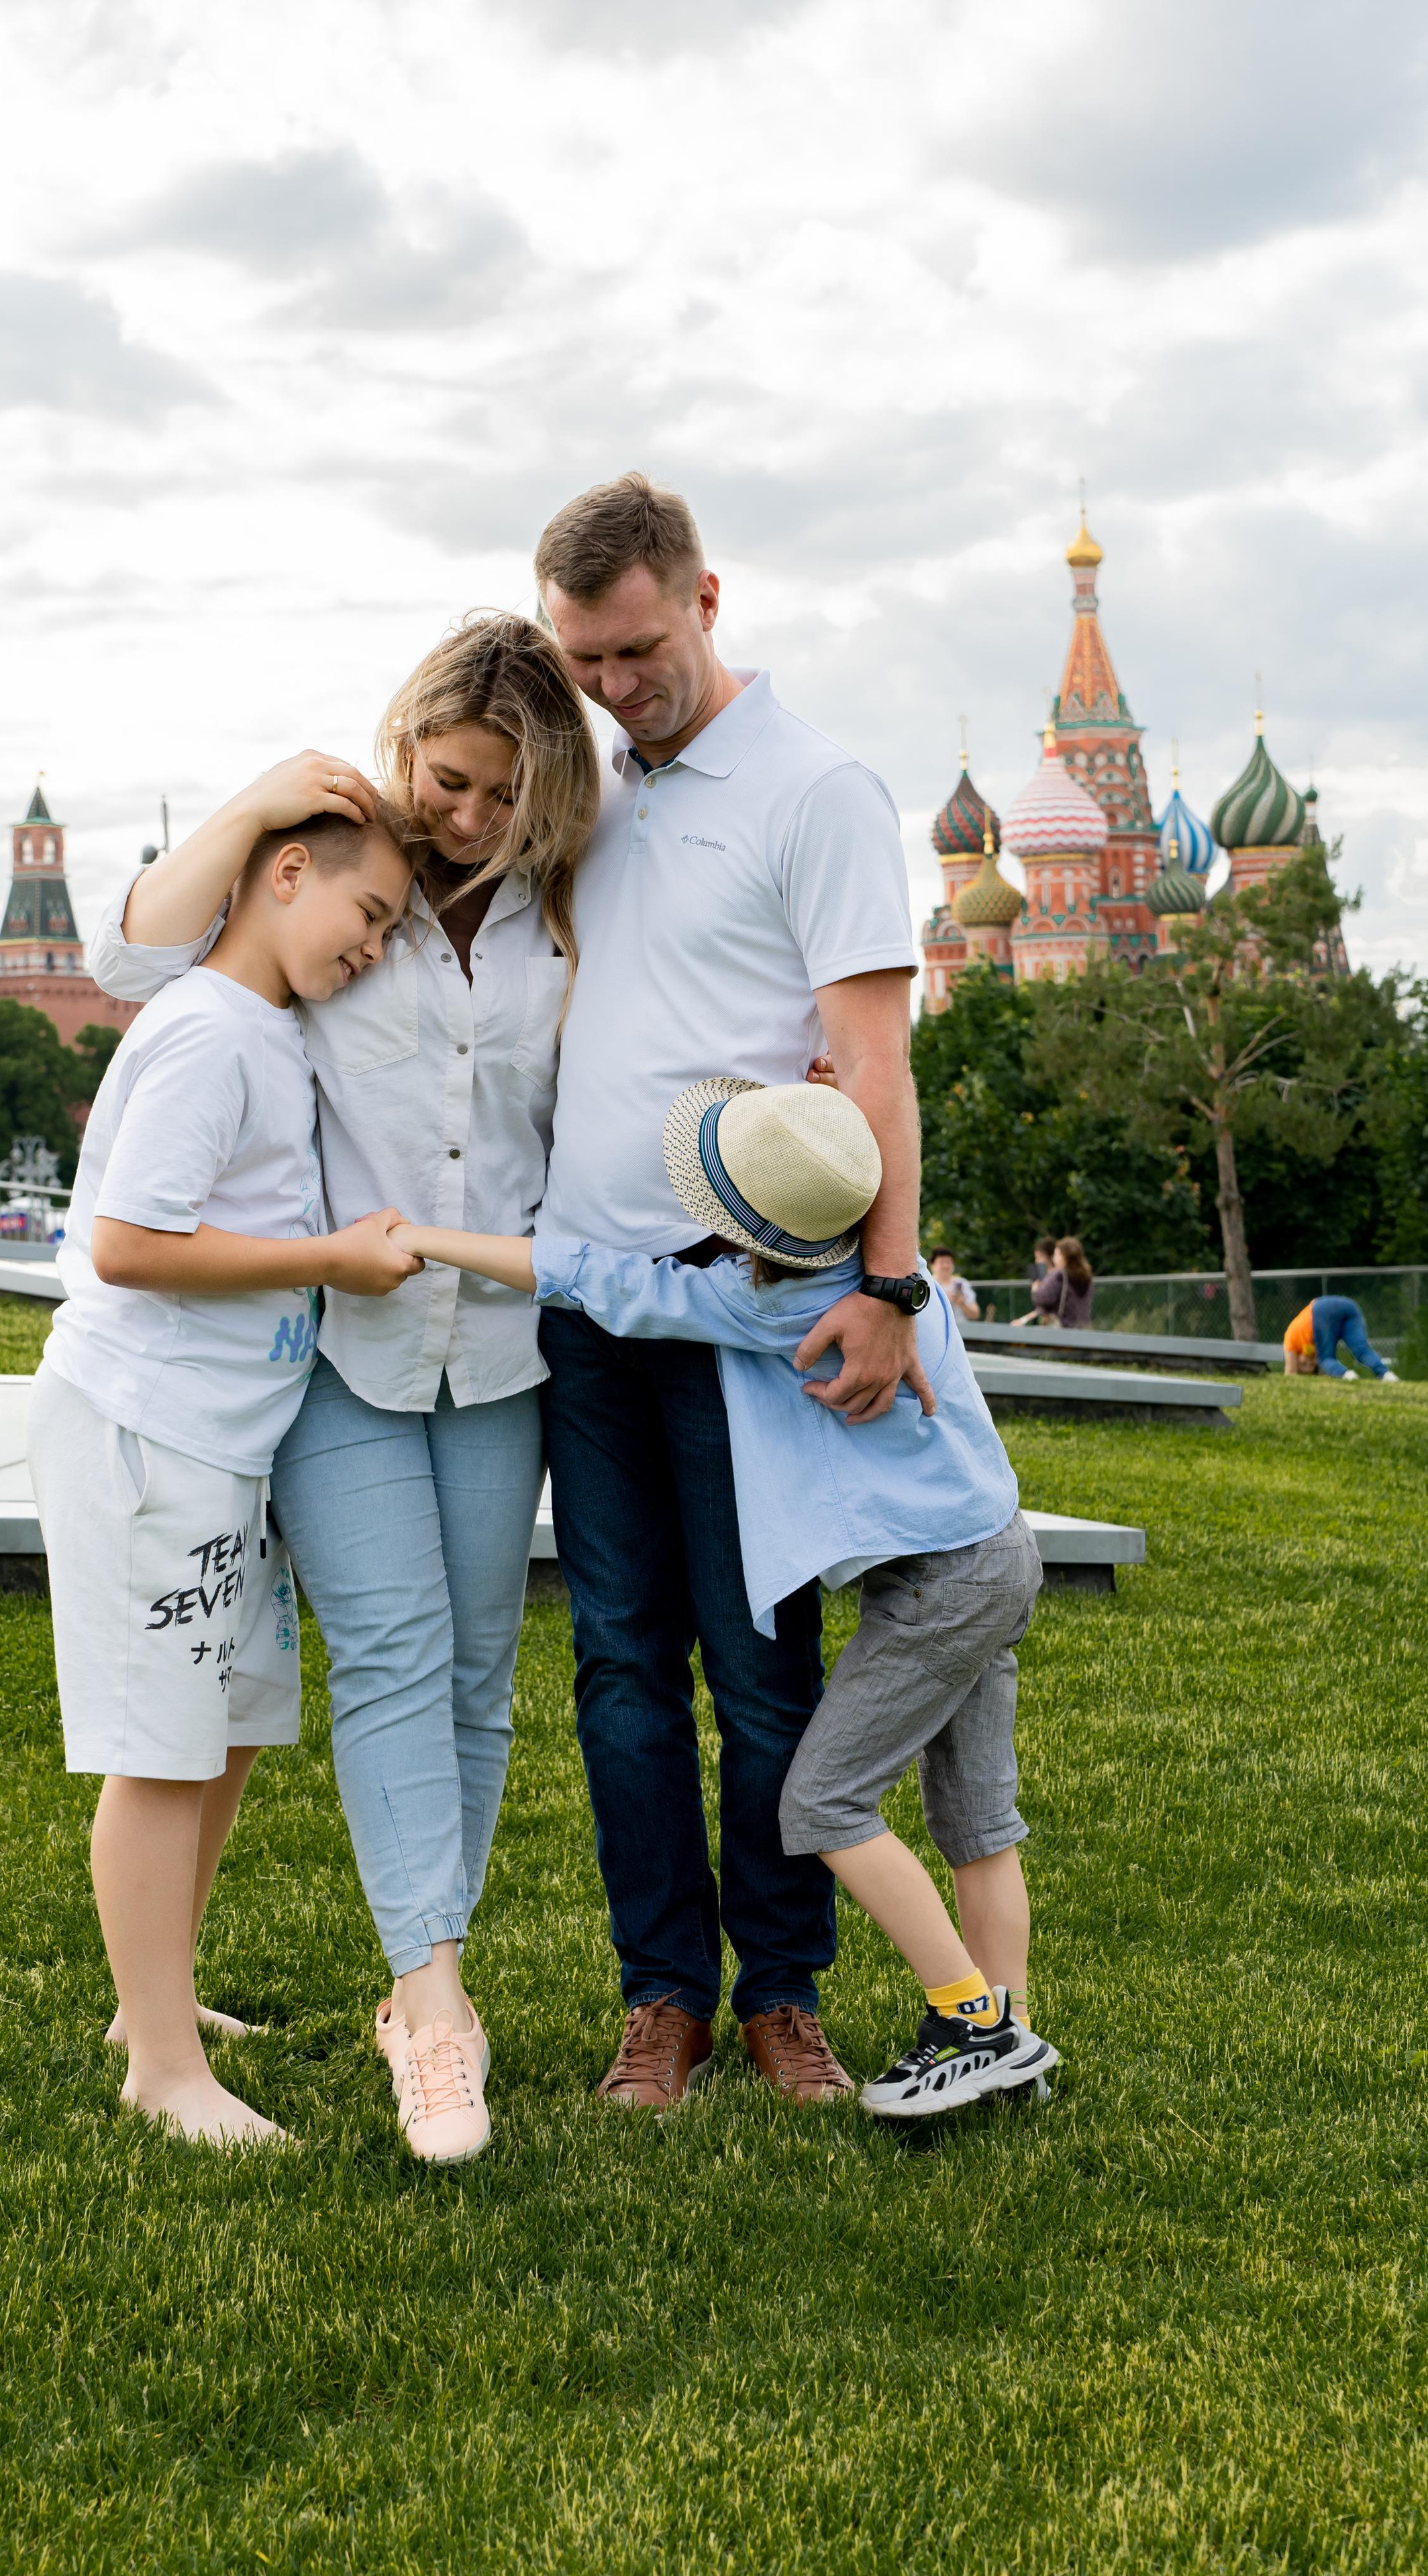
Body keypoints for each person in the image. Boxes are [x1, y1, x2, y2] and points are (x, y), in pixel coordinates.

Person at [87, 614, 601, 2164]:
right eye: (446, 778)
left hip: (496, 1352)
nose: (464, 815)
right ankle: (431, 2006)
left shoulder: (564, 916)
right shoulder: (338, 869)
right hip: (344, 1355)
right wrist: (249, 803)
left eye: (502, 796)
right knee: (384, 1650)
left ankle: (416, 1987)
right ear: (404, 750)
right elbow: (130, 955)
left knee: (472, 1671)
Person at [385, 1073, 1058, 2116]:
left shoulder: (765, 1304)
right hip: (998, 1553)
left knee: (824, 1801)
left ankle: (965, 2020)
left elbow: (585, 1275)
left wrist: (429, 1239)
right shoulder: (895, 1279)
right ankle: (1012, 2037)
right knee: (980, 1825)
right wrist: (827, 1120)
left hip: (934, 1591)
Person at [531, 472, 925, 2106]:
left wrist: (888, 1282)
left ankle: (781, 1993)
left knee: (763, 1666)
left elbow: (880, 1060)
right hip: (584, 1300)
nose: (614, 688)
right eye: (584, 662)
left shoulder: (815, 787)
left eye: (633, 650)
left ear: (704, 598)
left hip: (748, 1300)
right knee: (620, 1662)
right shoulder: (586, 784)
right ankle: (659, 1997)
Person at [28, 805, 421, 2145]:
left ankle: (159, 2000)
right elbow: (129, 1245)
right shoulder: (205, 1031)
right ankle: (159, 2073)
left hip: (221, 1441)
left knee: (231, 1730)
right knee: (159, 1748)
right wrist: (328, 1258)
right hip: (150, 1430)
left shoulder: (261, 1027)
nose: (371, 951)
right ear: (285, 875)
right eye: (364, 919)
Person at [1282, 1295, 1398, 1381]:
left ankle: (1347, 1376)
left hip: (1321, 1309)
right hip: (1349, 1306)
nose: (1309, 1363)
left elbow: (1290, 1373)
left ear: (1296, 1359)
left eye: (1303, 1364)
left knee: (1325, 1358)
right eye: (1311, 1366)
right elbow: (1325, 1374)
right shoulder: (1313, 1346)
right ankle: (1387, 1375)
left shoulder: (1290, 1340)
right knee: (1362, 1351)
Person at [1026, 1235, 1094, 1330]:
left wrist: (1035, 1289)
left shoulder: (1059, 1275)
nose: (1054, 1258)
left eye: (1056, 1254)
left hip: (1063, 1327)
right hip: (1082, 1326)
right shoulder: (1086, 1275)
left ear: (1063, 1256)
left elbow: (1043, 1299)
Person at [929, 1246, 978, 1324]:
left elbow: (975, 1315)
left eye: (948, 1262)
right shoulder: (927, 1284)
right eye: (942, 1262)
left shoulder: (963, 1284)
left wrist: (962, 1304)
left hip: (963, 1332)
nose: (946, 1266)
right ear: (933, 1265)